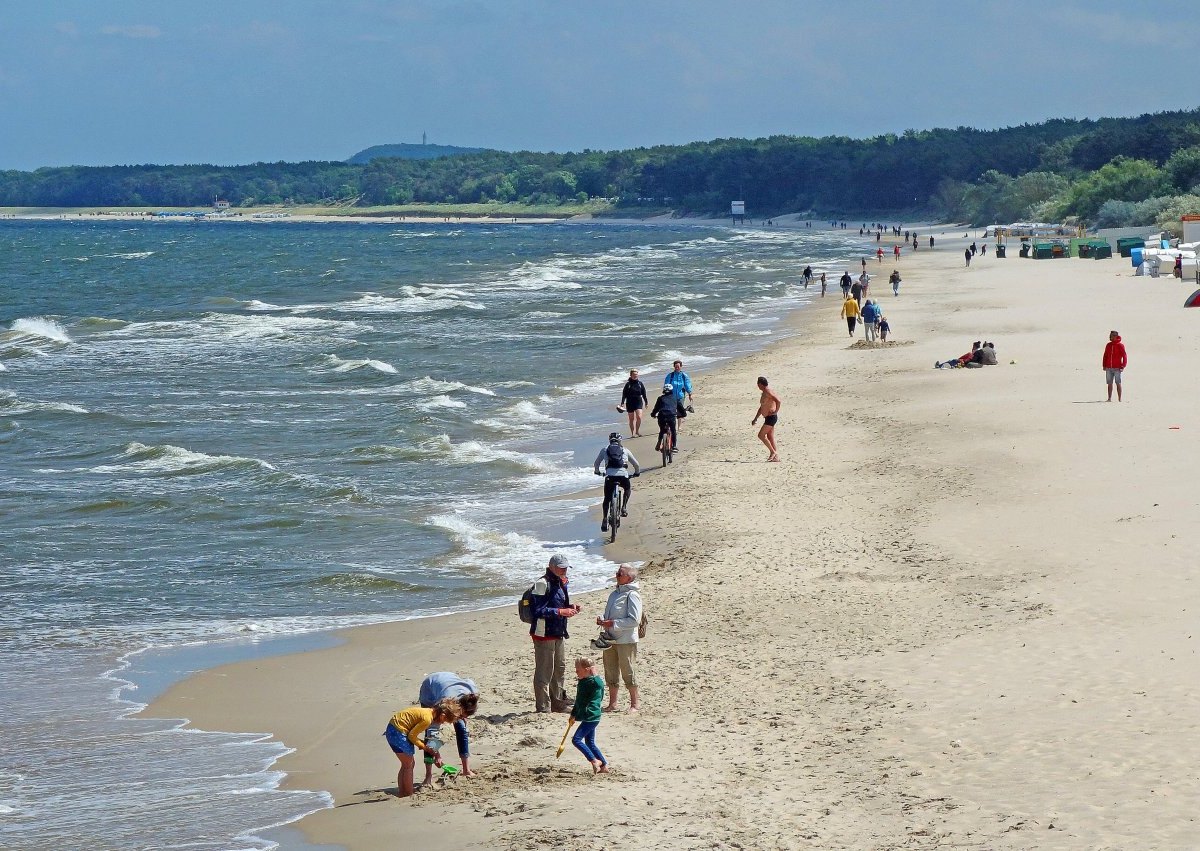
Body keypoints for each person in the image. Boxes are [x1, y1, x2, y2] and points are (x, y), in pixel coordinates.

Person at [530, 553, 580, 713]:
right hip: (543, 634)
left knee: (559, 668)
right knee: (544, 672)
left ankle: (557, 703)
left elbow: (558, 604)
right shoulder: (542, 583)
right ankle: (543, 707)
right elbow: (537, 610)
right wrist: (561, 611)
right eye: (561, 567)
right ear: (552, 567)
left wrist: (570, 608)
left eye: (566, 567)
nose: (564, 570)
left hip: (558, 632)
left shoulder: (559, 582)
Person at [384, 698, 461, 797]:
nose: (442, 723)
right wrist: (424, 747)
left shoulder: (427, 711)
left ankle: (402, 791)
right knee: (408, 765)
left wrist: (424, 745)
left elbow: (413, 734)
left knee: (406, 764)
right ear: (442, 716)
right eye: (444, 721)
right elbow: (411, 736)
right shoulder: (427, 719)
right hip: (399, 733)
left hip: (392, 729)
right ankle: (408, 793)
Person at [595, 563, 642, 712]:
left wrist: (613, 623)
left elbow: (635, 620)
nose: (616, 575)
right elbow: (610, 614)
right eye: (617, 573)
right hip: (610, 638)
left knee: (628, 670)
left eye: (620, 574)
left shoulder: (632, 595)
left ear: (629, 578)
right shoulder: (614, 594)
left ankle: (634, 704)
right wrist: (602, 619)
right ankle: (612, 703)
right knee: (610, 670)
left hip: (626, 640)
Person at [417, 672, 480, 784]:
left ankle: (466, 770)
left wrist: (462, 717)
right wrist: (436, 753)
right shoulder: (443, 702)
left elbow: (469, 680)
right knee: (429, 731)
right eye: (460, 715)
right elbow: (433, 732)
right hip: (429, 689)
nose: (461, 717)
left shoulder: (472, 694)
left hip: (449, 678)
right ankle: (428, 776)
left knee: (461, 727)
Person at [594, 433, 641, 531]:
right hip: (623, 477)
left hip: (610, 477)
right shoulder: (625, 450)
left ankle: (605, 519)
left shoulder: (605, 450)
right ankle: (623, 507)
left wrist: (597, 472)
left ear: (610, 440)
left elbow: (596, 463)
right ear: (620, 441)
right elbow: (636, 464)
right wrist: (636, 473)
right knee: (627, 488)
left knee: (607, 499)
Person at [569, 657, 608, 774]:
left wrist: (594, 672)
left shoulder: (595, 682)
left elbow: (600, 684)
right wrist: (573, 714)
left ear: (586, 670)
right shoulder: (583, 682)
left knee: (576, 740)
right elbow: (579, 701)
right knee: (589, 742)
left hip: (592, 716)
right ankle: (604, 766)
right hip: (588, 717)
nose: (576, 672)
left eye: (578, 670)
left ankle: (594, 760)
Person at [751, 376, 781, 461]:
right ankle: (776, 458)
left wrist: (775, 411)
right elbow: (762, 407)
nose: (757, 385)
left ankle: (773, 452)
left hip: (771, 417)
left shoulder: (768, 391)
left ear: (761, 384)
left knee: (761, 435)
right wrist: (755, 418)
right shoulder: (764, 392)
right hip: (768, 417)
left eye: (758, 384)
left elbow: (778, 401)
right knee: (770, 437)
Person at [650, 384, 685, 453]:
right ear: (671, 390)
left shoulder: (660, 398)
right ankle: (674, 446)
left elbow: (656, 408)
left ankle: (659, 442)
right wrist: (683, 414)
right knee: (673, 430)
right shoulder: (675, 398)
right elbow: (681, 408)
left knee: (662, 430)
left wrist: (653, 414)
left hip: (662, 416)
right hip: (671, 416)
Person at [619, 369, 648, 437]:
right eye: (634, 375)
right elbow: (624, 394)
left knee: (639, 417)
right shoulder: (628, 384)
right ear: (631, 375)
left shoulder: (640, 383)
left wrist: (646, 402)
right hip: (629, 402)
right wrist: (622, 403)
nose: (635, 376)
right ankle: (633, 433)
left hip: (638, 401)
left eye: (636, 374)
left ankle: (637, 431)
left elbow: (644, 393)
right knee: (631, 419)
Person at [1102, 330, 1127, 401]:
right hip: (1108, 367)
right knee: (1109, 383)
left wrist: (1123, 366)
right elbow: (1105, 355)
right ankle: (1109, 398)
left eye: (1112, 335)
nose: (1110, 337)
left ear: (1116, 336)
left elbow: (1124, 356)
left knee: (1118, 383)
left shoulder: (1120, 345)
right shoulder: (1108, 345)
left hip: (1117, 368)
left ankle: (1119, 399)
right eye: (1110, 335)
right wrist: (1104, 365)